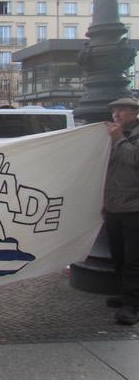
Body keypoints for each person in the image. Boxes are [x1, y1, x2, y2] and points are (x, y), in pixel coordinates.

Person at [103, 97, 139, 325]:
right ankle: (126, 294)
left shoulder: (128, 138)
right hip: (114, 205)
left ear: (135, 113)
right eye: (114, 110)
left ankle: (132, 305)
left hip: (134, 207)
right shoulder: (115, 137)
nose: (117, 114)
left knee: (133, 259)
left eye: (122, 110)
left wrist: (117, 138)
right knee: (118, 255)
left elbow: (134, 159)